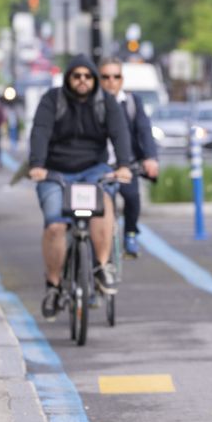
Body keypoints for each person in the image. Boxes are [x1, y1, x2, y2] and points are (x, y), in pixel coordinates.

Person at [28, 54, 133, 319]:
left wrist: (123, 165)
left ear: (94, 79)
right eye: (77, 76)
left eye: (88, 76)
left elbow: (120, 134)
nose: (83, 80)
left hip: (93, 172)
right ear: (68, 78)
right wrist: (37, 165)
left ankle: (100, 267)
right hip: (55, 173)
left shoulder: (106, 102)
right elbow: (39, 131)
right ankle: (53, 286)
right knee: (54, 225)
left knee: (103, 206)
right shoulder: (52, 100)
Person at [98, 57, 160, 258]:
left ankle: (131, 234)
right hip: (98, 165)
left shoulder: (132, 103)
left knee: (132, 198)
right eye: (105, 77)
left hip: (125, 164)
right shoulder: (91, 104)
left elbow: (144, 131)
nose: (111, 81)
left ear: (122, 80)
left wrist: (150, 157)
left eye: (116, 76)